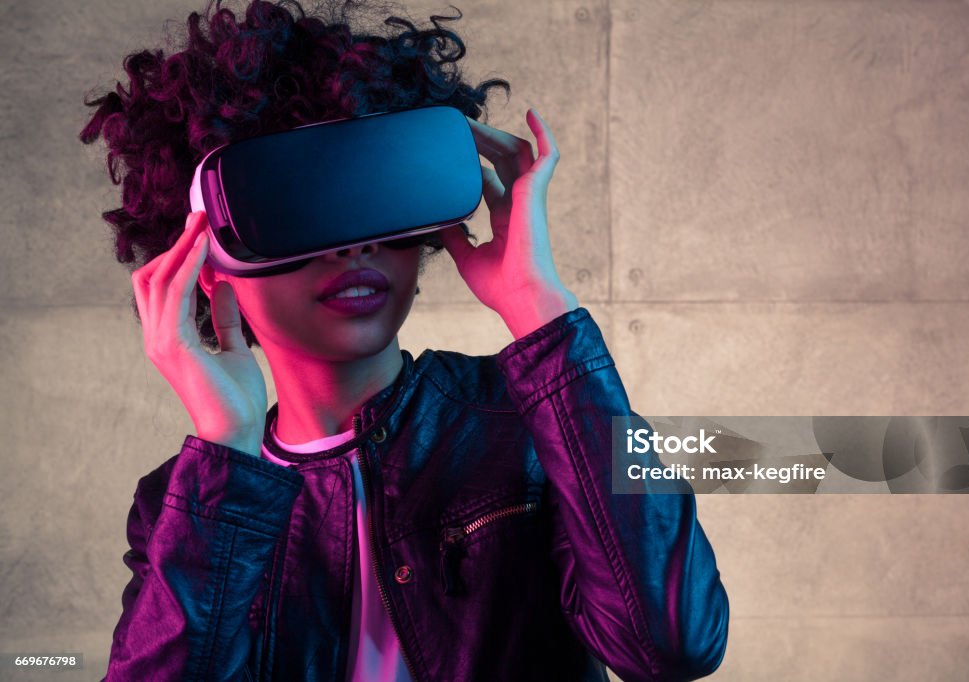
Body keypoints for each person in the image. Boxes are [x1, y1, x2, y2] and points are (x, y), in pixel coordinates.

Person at [80, 1, 729, 680]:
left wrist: (541, 312)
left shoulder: (531, 419)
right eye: (299, 209)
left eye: (377, 199)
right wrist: (225, 449)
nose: (354, 244)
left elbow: (672, 645)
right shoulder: (180, 504)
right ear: (207, 266)